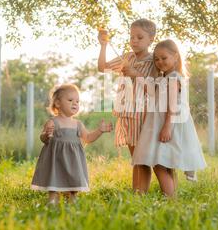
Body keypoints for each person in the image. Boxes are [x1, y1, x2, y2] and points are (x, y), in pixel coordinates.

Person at [132, 39, 207, 197]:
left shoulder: (174, 77)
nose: (160, 62)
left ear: (175, 56)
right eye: (156, 59)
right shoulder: (166, 78)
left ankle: (171, 200)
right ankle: (171, 197)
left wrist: (166, 126)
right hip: (163, 123)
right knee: (164, 164)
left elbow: (172, 105)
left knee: (160, 165)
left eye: (164, 58)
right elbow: (154, 93)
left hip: (168, 124)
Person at [97, 18, 157, 193]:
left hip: (144, 115)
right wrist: (103, 46)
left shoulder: (154, 60)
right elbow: (103, 68)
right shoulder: (127, 57)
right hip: (127, 114)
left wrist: (135, 73)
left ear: (151, 39)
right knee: (136, 158)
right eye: (132, 37)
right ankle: (138, 193)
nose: (134, 41)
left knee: (144, 158)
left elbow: (155, 88)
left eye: (140, 37)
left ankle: (143, 193)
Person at [31, 84, 113, 204]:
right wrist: (46, 134)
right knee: (55, 178)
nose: (75, 103)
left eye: (77, 101)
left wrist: (100, 131)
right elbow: (43, 139)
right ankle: (53, 197)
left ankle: (72, 196)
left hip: (73, 160)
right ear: (58, 103)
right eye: (70, 100)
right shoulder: (52, 122)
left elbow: (88, 138)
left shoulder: (78, 124)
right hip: (56, 160)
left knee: (73, 179)